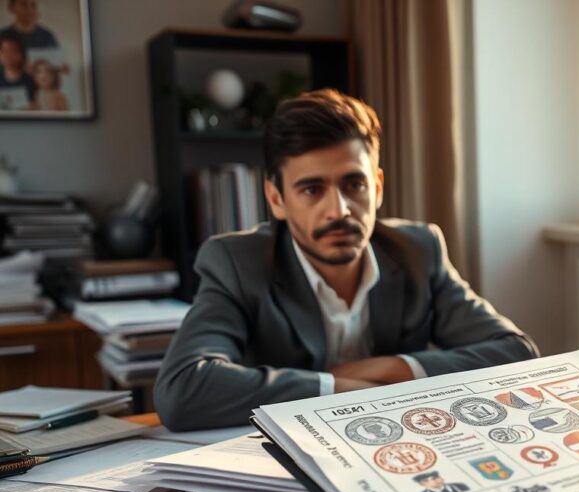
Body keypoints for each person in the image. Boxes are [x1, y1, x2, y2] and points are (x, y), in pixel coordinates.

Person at [154, 89, 539, 430]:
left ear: (378, 187)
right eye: (312, 189)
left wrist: (391, 369)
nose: (338, 210)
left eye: (354, 184)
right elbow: (182, 389)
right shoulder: (237, 263)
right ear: (276, 200)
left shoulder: (418, 250)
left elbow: (517, 352)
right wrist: (336, 386)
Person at [0, 33, 34, 107]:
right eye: (3, 50)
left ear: (22, 54)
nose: (7, 55)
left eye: (13, 51)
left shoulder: (31, 81)